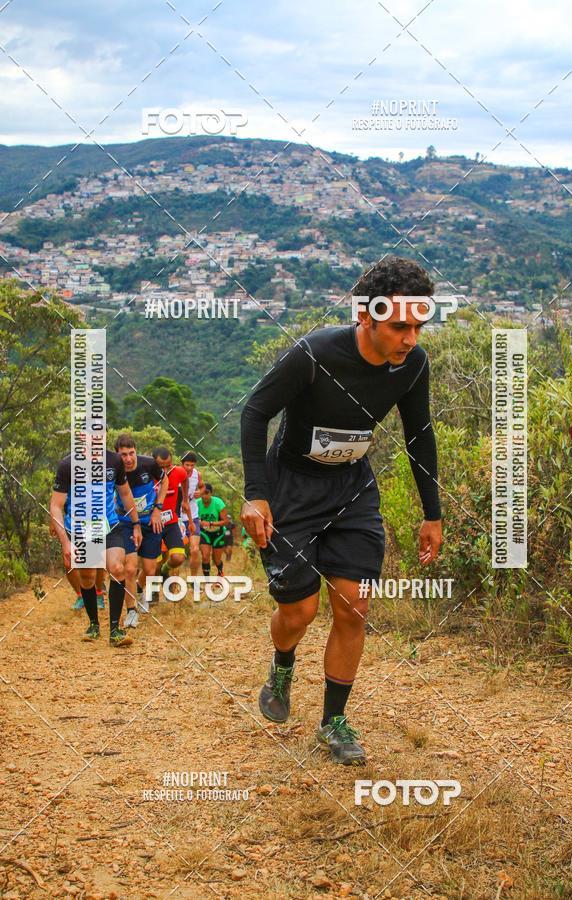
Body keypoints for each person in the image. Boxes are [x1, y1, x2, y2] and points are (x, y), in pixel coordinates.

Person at [240, 257, 443, 765]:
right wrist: (255, 493)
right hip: (291, 490)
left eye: (418, 325)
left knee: (354, 604)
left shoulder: (412, 365)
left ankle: (333, 722)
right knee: (300, 610)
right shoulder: (315, 353)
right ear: (366, 317)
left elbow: (420, 435)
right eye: (400, 326)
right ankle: (283, 664)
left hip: (352, 488)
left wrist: (432, 512)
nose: (410, 338)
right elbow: (254, 412)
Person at [50, 443, 142, 646]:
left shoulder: (114, 460)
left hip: (109, 525)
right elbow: (56, 505)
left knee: (117, 568)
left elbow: (125, 494)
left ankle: (115, 630)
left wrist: (136, 523)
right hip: (81, 529)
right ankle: (93, 624)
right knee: (88, 576)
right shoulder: (68, 465)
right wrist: (65, 541)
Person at [114, 434, 169, 627]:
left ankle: (139, 589)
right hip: (125, 522)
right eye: (123, 455)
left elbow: (165, 481)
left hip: (150, 521)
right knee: (129, 568)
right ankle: (131, 611)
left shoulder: (149, 464)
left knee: (149, 568)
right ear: (117, 454)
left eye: (131, 453)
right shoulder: (114, 468)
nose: (128, 459)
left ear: (136, 451)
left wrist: (158, 509)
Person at [151, 447, 194, 584]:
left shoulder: (179, 472)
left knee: (178, 558)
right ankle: (153, 593)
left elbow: (185, 480)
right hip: (152, 524)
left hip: (171, 522)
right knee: (153, 565)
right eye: (160, 467)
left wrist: (185, 500)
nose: (164, 471)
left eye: (168, 466)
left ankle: (165, 570)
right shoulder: (146, 476)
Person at [50, 517, 107, 609]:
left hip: (94, 522)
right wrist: (53, 521)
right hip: (71, 525)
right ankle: (81, 596)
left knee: (97, 560)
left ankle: (98, 593)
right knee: (69, 563)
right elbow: (55, 504)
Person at [180, 451, 204, 577]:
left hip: (193, 516)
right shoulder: (174, 474)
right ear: (181, 463)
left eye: (192, 465)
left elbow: (202, 487)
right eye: (187, 465)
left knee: (195, 550)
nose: (189, 468)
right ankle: (173, 586)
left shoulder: (197, 474)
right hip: (177, 518)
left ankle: (193, 579)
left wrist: (200, 492)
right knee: (177, 554)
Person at [198, 484, 228, 577]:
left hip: (218, 533)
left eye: (206, 493)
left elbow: (225, 521)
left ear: (211, 493)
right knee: (205, 556)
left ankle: (220, 573)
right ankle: (207, 580)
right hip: (204, 532)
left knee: (216, 559)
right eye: (202, 493)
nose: (204, 496)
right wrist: (197, 522)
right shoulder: (196, 503)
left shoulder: (218, 503)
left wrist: (210, 523)